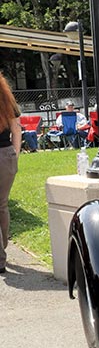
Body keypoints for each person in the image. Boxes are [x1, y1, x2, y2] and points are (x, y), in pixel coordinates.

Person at [0, 71, 21, 275]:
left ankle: (0, 258)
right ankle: (2, 250)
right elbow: (17, 129)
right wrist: (15, 154)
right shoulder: (7, 100)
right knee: (2, 205)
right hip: (6, 155)